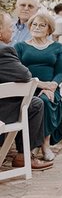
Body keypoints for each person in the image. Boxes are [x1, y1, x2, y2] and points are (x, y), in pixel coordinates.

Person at [0, 12, 52, 171]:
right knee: (35, 103)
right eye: (10, 27)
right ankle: (24, 156)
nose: (13, 31)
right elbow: (25, 75)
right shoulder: (4, 51)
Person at [15, 12, 62, 162]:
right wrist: (38, 84)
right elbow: (18, 71)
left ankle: (45, 145)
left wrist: (52, 85)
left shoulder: (57, 47)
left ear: (49, 29)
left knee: (45, 101)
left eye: (41, 25)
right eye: (34, 24)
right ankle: (32, 145)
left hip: (50, 88)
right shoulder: (20, 46)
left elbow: (60, 71)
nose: (37, 27)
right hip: (27, 87)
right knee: (37, 102)